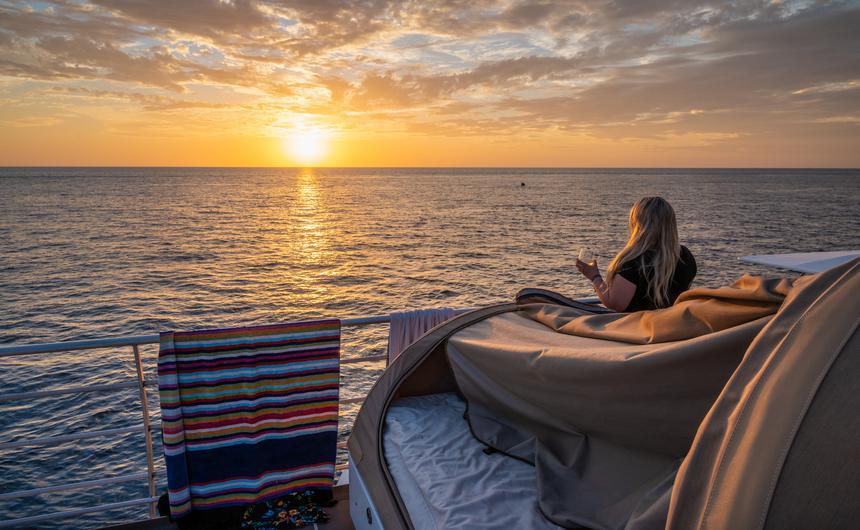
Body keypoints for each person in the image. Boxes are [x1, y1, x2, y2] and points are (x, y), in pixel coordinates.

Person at [576, 196, 696, 312]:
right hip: (670, 325)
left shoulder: (635, 261)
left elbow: (615, 303)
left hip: (637, 328)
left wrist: (595, 277)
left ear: (638, 224)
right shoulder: (685, 256)